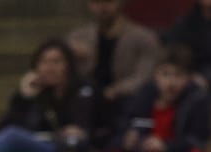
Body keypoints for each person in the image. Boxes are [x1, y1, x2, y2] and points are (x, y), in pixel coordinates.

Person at [67, 0, 160, 142]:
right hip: (89, 98)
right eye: (96, 2)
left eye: (109, 1)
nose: (102, 7)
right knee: (84, 96)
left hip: (126, 98)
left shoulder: (144, 38)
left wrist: (117, 89)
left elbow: (144, 75)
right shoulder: (78, 38)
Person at [120, 43, 209, 152]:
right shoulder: (146, 96)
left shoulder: (197, 101)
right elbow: (138, 122)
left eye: (178, 75)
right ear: (155, 75)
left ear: (189, 78)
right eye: (165, 74)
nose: (171, 82)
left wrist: (166, 146)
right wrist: (133, 135)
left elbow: (198, 141)